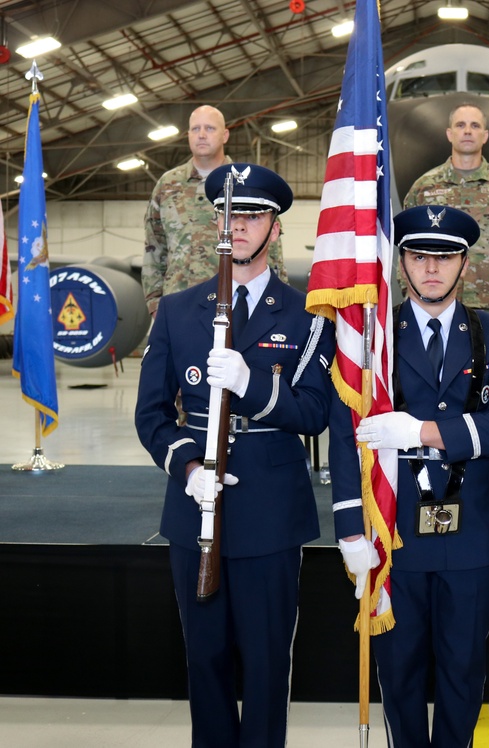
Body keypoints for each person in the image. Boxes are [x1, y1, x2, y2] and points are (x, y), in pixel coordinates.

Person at [134, 163, 334, 747]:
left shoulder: (308, 315)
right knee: (206, 660)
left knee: (269, 664)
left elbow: (314, 412)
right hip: (195, 510)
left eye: (253, 216)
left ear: (275, 228)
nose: (240, 225)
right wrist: (187, 468)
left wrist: (252, 385)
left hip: (270, 512)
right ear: (216, 223)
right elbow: (150, 415)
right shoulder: (176, 310)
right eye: (231, 214)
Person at [332, 205, 489, 746]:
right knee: (398, 672)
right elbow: (343, 425)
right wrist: (350, 525)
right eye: (419, 256)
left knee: (463, 671)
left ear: (465, 263)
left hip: (473, 533)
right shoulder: (373, 337)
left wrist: (421, 433)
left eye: (444, 257)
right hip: (394, 529)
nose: (432, 269)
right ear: (401, 263)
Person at [143, 105, 287, 316]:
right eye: (195, 129)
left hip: (237, 305)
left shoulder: (246, 184)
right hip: (179, 306)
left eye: (210, 128)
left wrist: (275, 302)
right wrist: (155, 304)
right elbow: (154, 247)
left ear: (225, 135)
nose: (201, 135)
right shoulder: (167, 185)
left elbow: (271, 248)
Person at [403, 103, 489, 321]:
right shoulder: (424, 187)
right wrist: (411, 293)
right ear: (449, 134)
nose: (467, 131)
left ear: (485, 136)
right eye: (460, 125)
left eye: (475, 126)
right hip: (435, 305)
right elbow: (406, 247)